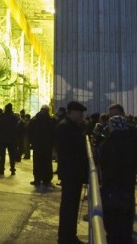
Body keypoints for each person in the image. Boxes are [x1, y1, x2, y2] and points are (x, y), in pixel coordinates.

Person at [99, 113, 137, 244]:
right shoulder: (130, 141)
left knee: (113, 214)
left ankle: (114, 238)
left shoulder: (110, 142)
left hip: (112, 182)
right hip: (127, 181)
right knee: (126, 212)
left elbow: (104, 161)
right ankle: (125, 237)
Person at [55, 100, 89, 244]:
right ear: (73, 112)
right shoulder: (65, 127)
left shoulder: (71, 126)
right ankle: (66, 236)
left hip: (73, 172)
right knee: (69, 205)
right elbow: (67, 152)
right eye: (80, 112)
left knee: (71, 204)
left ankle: (69, 234)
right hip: (71, 172)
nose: (82, 115)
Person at [28, 104, 56, 187]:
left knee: (37, 162)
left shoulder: (35, 119)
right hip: (47, 145)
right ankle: (46, 180)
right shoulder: (51, 120)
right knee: (47, 162)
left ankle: (37, 179)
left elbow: (29, 131)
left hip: (37, 145)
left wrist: (32, 142)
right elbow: (54, 133)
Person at [0, 103, 19, 175]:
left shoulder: (2, 116)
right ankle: (12, 169)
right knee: (12, 155)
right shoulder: (14, 117)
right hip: (12, 139)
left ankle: (1, 169)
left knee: (2, 155)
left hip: (3, 138)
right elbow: (16, 127)